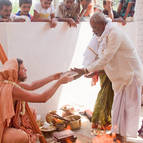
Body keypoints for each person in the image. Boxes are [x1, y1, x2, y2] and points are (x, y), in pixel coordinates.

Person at [72, 12, 143, 140]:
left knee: (128, 108)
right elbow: (103, 58)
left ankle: (122, 135)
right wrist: (91, 72)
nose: (93, 31)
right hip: (120, 78)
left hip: (130, 75)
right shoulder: (105, 34)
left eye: (95, 28)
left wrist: (85, 70)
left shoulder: (115, 33)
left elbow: (106, 58)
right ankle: (116, 132)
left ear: (103, 24)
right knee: (117, 108)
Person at [0, 58, 73, 143]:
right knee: (22, 136)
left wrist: (54, 77)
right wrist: (59, 82)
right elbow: (43, 98)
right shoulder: (12, 89)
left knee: (32, 112)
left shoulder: (11, 83)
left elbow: (32, 86)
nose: (26, 69)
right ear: (15, 72)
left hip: (6, 125)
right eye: (23, 69)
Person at [82, 34, 114, 130]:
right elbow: (99, 58)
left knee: (108, 95)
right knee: (105, 94)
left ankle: (101, 119)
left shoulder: (108, 38)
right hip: (105, 69)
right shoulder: (100, 39)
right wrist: (93, 71)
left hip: (109, 70)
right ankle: (99, 121)